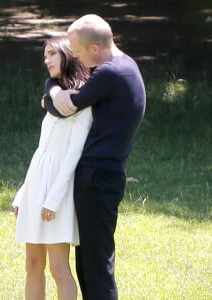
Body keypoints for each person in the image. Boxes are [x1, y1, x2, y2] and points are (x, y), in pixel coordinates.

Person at [43, 14, 146, 300]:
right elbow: (58, 86)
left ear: (94, 49)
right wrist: (53, 90)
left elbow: (66, 107)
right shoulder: (125, 65)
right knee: (89, 260)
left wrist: (53, 96)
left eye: (77, 52)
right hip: (102, 175)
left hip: (97, 177)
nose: (75, 57)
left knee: (96, 262)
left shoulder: (108, 74)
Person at [12, 36, 92, 300]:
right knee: (32, 264)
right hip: (37, 183)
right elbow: (42, 150)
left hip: (58, 189)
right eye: (44, 55)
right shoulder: (54, 97)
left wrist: (54, 199)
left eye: (51, 54)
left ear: (67, 55)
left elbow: (73, 154)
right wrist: (23, 192)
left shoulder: (82, 101)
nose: (46, 60)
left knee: (59, 268)